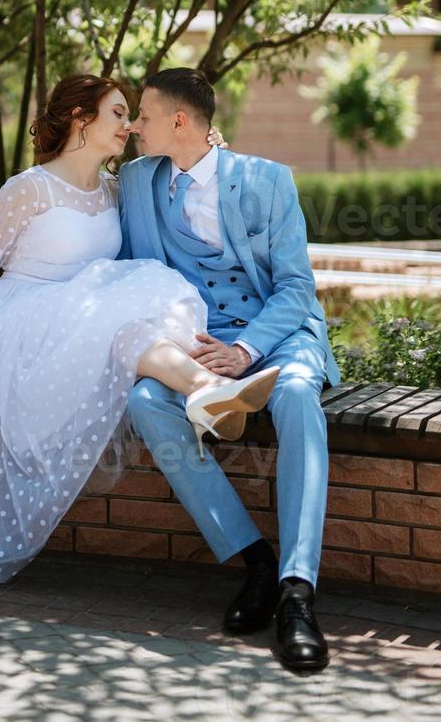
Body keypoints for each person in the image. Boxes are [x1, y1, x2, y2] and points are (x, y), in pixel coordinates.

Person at [0, 74, 279, 587]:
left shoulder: (113, 187)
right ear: (82, 119)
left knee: (145, 303)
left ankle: (211, 392)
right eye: (119, 113)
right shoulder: (27, 188)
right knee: (124, 326)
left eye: (131, 115)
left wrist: (207, 143)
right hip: (25, 324)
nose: (129, 124)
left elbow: (178, 164)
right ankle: (212, 392)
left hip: (82, 317)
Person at [118, 68, 341, 672]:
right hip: (194, 345)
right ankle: (255, 562)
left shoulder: (269, 181)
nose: (135, 125)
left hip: (276, 336)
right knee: (144, 401)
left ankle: (298, 591)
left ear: (180, 121)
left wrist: (246, 352)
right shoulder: (136, 183)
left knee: (296, 396)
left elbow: (296, 287)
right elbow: (123, 272)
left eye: (143, 114)